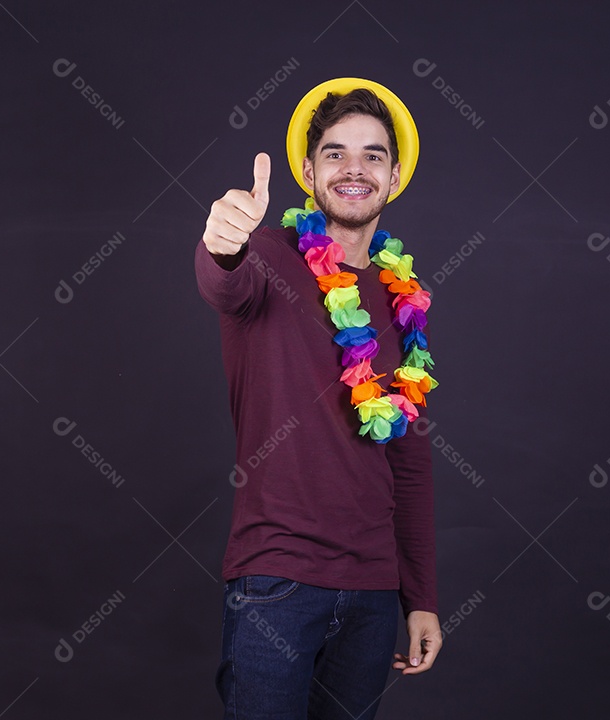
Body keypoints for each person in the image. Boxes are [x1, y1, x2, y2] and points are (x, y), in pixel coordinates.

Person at [195, 78, 441, 719]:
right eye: (335, 153)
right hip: (277, 581)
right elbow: (227, 284)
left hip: (372, 592)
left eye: (372, 155)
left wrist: (420, 596)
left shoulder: (401, 298)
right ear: (308, 170)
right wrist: (221, 245)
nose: (353, 169)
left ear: (393, 177)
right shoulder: (269, 257)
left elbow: (408, 464)